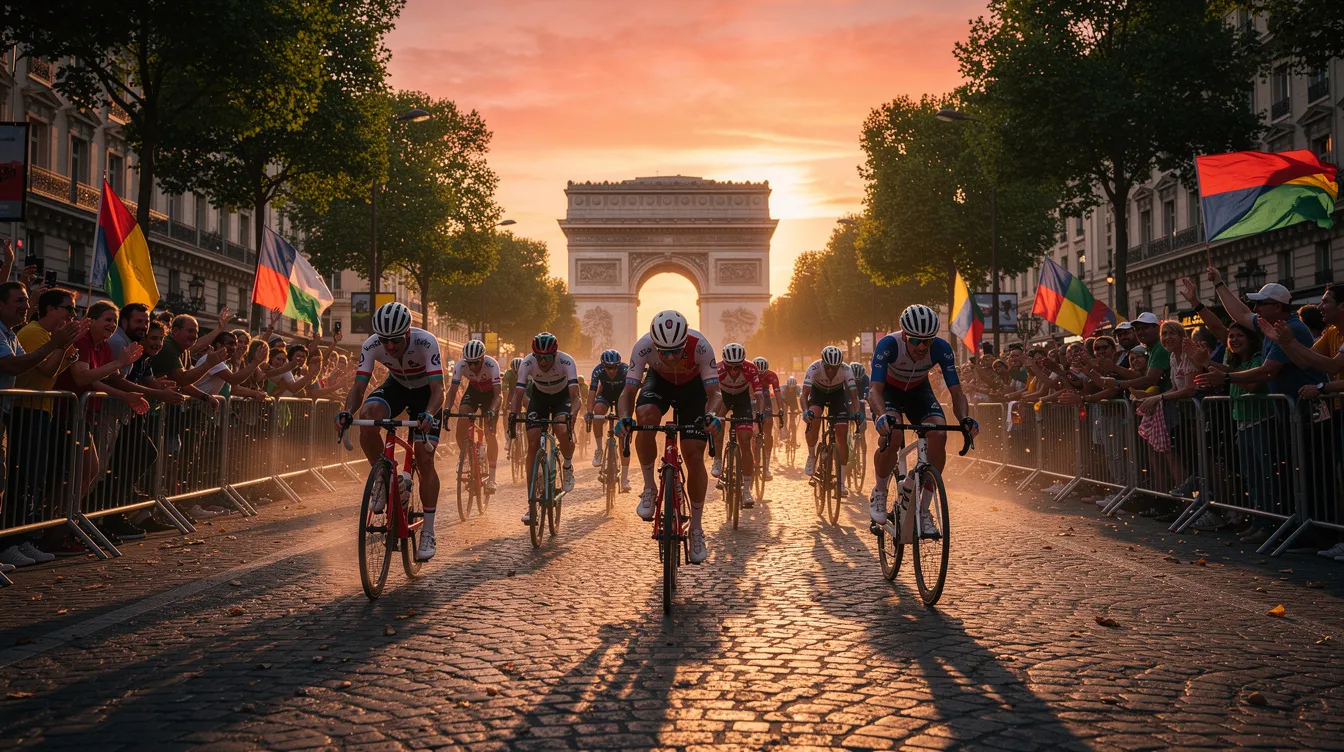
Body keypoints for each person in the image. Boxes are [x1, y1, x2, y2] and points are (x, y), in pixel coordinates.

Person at [337, 302, 444, 562]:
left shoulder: (426, 342)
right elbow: (359, 387)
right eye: (385, 340)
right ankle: (384, 479)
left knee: (425, 458)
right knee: (368, 415)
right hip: (396, 386)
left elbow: (438, 390)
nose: (391, 346)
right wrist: (348, 412)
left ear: (407, 333)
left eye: (396, 340)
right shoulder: (371, 345)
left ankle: (428, 531)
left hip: (425, 394)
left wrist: (429, 414)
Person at [615, 310, 722, 564]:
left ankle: (696, 528)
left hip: (693, 388)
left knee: (695, 455)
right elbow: (628, 392)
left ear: (686, 342)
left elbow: (715, 393)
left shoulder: (701, 346)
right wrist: (623, 418)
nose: (672, 357)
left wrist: (712, 415)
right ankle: (650, 487)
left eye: (677, 351)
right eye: (665, 352)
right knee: (645, 416)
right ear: (655, 345)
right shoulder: (643, 346)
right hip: (658, 382)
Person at [867, 304, 978, 535]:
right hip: (889, 392)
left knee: (939, 434)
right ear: (905, 335)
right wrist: (880, 416)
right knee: (894, 433)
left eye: (927, 341)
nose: (921, 346)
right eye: (916, 340)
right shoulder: (888, 344)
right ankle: (879, 491)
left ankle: (924, 510)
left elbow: (957, 392)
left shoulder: (942, 349)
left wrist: (965, 418)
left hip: (919, 392)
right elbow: (875, 389)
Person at [508, 332, 580, 523]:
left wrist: (572, 415)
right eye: (539, 357)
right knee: (532, 445)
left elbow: (575, 397)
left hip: (561, 398)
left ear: (555, 355)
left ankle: (567, 464)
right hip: (539, 399)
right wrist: (513, 415)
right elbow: (518, 394)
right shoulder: (527, 363)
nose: (543, 362)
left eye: (547, 357)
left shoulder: (566, 362)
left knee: (562, 430)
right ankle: (531, 504)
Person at [801, 346, 863, 498]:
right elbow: (804, 395)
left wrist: (856, 412)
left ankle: (841, 483)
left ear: (840, 365)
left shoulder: (846, 370)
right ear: (823, 364)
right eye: (827, 367)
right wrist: (805, 411)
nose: (830, 371)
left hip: (837, 396)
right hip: (818, 395)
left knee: (842, 435)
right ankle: (812, 456)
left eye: (834, 368)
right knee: (814, 418)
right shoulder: (814, 367)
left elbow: (854, 395)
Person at [444, 339, 502, 493]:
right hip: (474, 392)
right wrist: (447, 409)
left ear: (482, 359)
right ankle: (468, 458)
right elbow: (452, 390)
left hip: (491, 395)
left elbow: (497, 394)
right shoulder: (461, 365)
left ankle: (492, 478)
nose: (473, 366)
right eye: (469, 363)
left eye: (476, 363)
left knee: (490, 434)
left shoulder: (492, 365)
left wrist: (492, 410)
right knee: (462, 417)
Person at [714, 344, 764, 508]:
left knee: (745, 440)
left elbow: (759, 394)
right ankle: (718, 461)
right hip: (723, 397)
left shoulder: (751, 368)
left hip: (743, 400)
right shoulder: (718, 369)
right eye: (731, 367)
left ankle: (747, 490)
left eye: (738, 367)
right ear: (725, 364)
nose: (735, 371)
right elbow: (711, 394)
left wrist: (759, 414)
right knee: (718, 426)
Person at [588, 349, 632, 492]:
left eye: (614, 367)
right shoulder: (598, 371)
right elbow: (592, 393)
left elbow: (631, 393)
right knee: (598, 411)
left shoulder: (626, 370)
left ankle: (624, 478)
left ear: (619, 365)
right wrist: (589, 413)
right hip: (605, 396)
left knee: (623, 437)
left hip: (622, 396)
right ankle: (599, 450)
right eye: (608, 367)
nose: (612, 371)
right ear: (603, 366)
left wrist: (626, 416)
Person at [750, 357, 783, 480]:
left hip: (766, 398)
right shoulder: (749, 373)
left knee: (768, 427)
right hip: (752, 396)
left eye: (763, 374)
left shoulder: (772, 376)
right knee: (750, 429)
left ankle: (767, 465)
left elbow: (778, 394)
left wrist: (781, 410)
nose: (761, 376)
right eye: (759, 374)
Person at [781, 375, 801, 448]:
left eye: (793, 388)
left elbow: (799, 399)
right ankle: (784, 433)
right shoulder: (783, 388)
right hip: (785, 402)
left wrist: (799, 409)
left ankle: (794, 441)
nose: (791, 389)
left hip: (794, 403)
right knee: (784, 418)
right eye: (790, 387)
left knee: (793, 423)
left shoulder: (798, 388)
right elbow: (781, 398)